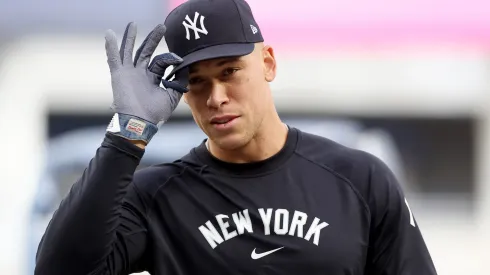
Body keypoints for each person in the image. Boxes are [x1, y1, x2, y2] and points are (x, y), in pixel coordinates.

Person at [34, 0, 438, 274]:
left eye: (229, 71)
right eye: (196, 82)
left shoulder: (359, 178)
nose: (216, 97)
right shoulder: (157, 196)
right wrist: (126, 135)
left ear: (268, 63)